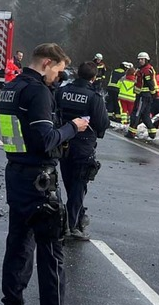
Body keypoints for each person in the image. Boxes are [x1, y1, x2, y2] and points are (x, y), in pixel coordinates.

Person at [0, 43, 88, 305]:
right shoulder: (37, 91)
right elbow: (45, 140)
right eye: (58, 70)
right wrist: (73, 127)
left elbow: (18, 135)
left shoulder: (11, 88)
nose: (59, 77)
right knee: (51, 251)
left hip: (15, 172)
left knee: (18, 244)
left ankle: (12, 300)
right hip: (39, 179)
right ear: (47, 62)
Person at [55, 62, 109, 241]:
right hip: (84, 145)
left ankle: (78, 218)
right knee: (79, 185)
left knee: (70, 182)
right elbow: (102, 124)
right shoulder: (94, 96)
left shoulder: (63, 91)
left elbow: (54, 113)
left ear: (77, 74)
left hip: (63, 142)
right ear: (93, 77)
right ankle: (71, 225)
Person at [127, 52, 158, 139]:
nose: (140, 61)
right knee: (145, 116)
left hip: (143, 96)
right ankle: (152, 132)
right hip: (143, 95)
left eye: (142, 59)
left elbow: (150, 83)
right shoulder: (142, 69)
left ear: (146, 60)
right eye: (139, 59)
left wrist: (153, 93)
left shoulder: (146, 70)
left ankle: (131, 132)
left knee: (136, 113)